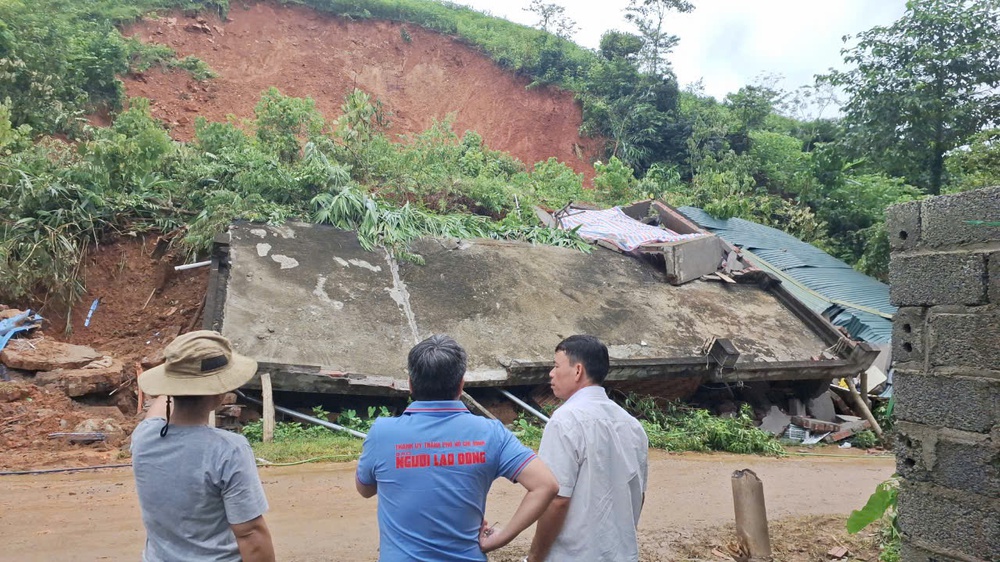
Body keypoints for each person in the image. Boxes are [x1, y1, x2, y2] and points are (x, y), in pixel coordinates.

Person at [356, 334, 558, 561]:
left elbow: (365, 489)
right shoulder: (491, 433)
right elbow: (545, 485)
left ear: (411, 384)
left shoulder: (382, 433)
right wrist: (500, 539)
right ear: (461, 384)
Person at [131, 330, 275, 562]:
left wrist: (178, 377)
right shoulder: (229, 450)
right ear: (219, 393)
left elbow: (159, 408)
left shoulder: (144, 437)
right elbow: (250, 533)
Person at [527, 335, 649, 562]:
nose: (551, 374)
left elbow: (557, 498)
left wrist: (534, 557)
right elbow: (638, 494)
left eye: (556, 366)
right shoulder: (632, 425)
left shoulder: (564, 421)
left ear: (577, 371)